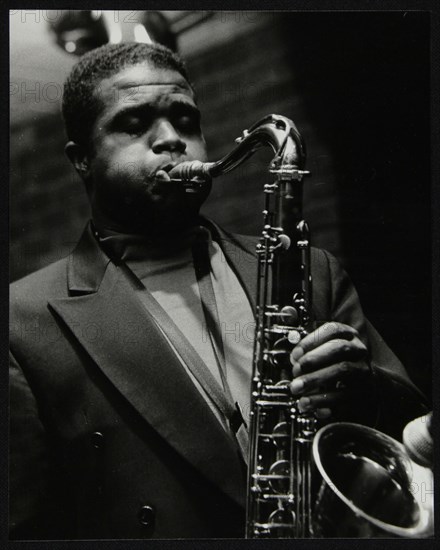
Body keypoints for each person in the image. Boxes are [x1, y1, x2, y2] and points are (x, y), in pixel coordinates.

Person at [9, 42, 428, 540]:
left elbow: (410, 444)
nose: (171, 140)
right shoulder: (21, 319)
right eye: (134, 124)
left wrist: (363, 388)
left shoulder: (312, 269)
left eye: (185, 121)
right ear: (82, 159)